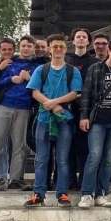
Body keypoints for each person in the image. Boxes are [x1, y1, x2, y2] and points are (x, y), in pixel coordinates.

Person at [24, 34, 82, 208]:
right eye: (55, 46)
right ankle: (38, 194)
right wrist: (50, 104)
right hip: (43, 118)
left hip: (64, 118)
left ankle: (62, 193)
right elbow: (35, 91)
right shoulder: (41, 70)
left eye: (61, 47)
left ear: (65, 49)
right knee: (41, 158)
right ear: (49, 49)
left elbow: (74, 93)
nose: (58, 49)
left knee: (62, 158)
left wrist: (55, 103)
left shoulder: (72, 71)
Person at [78, 38, 111, 208]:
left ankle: (101, 193)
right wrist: (84, 116)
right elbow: (86, 93)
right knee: (94, 156)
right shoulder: (96, 68)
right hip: (97, 120)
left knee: (109, 159)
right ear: (109, 50)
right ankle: (87, 194)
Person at [0, 36, 39, 191]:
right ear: (20, 47)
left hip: (24, 107)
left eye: (29, 46)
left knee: (19, 145)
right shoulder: (9, 62)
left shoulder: (37, 66)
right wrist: (11, 79)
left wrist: (28, 79)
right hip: (5, 105)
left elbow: (39, 86)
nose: (26, 48)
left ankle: (15, 179)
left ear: (33, 48)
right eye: (23, 45)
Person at [66, 28, 98, 190]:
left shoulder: (94, 62)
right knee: (68, 145)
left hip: (87, 109)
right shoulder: (66, 60)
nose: (80, 39)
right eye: (78, 37)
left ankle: (84, 180)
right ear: (73, 41)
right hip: (67, 107)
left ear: (88, 41)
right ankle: (69, 179)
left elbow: (95, 84)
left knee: (84, 146)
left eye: (84, 37)